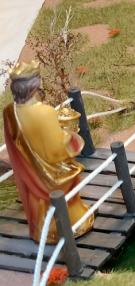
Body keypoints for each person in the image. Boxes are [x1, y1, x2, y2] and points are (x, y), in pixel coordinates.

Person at [2, 61, 94, 243]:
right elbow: (56, 151)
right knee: (72, 173)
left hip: (28, 171)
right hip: (51, 174)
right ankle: (72, 223)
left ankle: (42, 228)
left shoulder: (9, 111)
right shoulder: (45, 113)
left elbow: (15, 143)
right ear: (36, 85)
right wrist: (71, 135)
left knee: (40, 193)